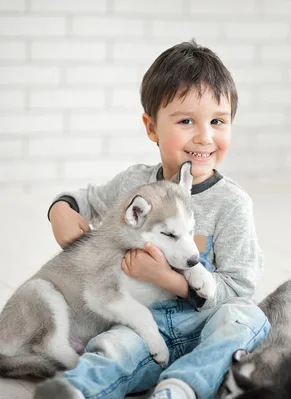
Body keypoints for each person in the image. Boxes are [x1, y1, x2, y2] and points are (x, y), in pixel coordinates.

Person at [39, 40, 270, 399]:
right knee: (115, 347)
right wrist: (61, 212)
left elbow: (238, 289)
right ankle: (77, 389)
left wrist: (171, 280)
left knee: (251, 320)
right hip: (139, 322)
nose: (204, 136)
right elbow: (83, 200)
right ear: (151, 127)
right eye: (186, 121)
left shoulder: (232, 204)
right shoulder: (135, 184)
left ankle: (181, 388)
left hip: (204, 324)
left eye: (218, 121)